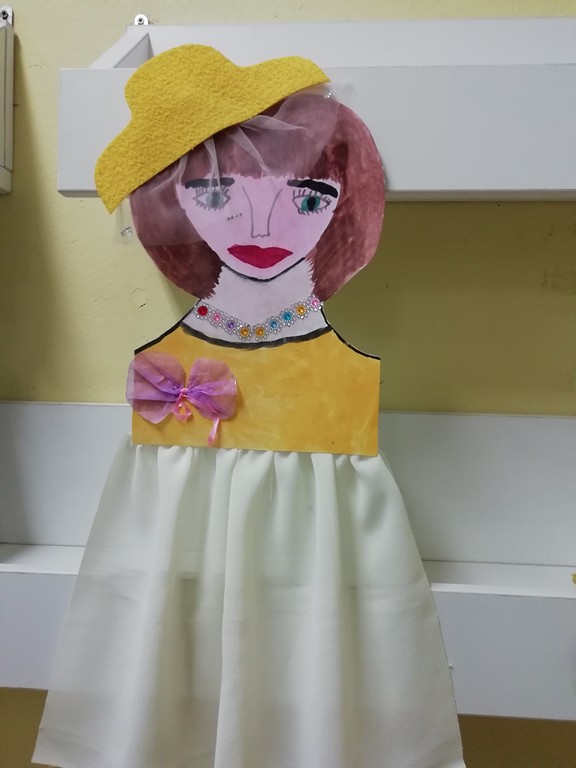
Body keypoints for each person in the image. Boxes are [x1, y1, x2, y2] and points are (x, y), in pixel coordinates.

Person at [33, 45, 465, 768]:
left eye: (306, 198)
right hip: (179, 553)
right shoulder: (179, 358)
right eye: (215, 196)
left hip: (315, 554)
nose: (261, 229)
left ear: (345, 201)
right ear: (171, 207)